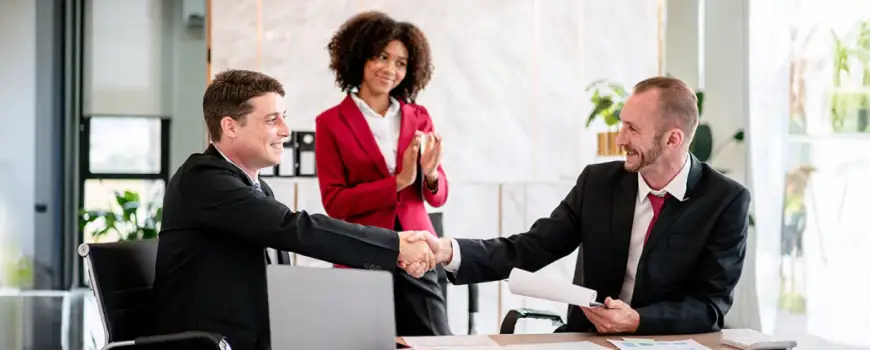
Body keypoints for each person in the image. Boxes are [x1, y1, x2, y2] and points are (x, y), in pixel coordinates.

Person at [427, 76, 751, 335]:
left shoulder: (725, 201)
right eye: (622, 124)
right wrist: (448, 251)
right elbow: (530, 248)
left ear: (673, 139)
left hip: (668, 342)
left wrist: (638, 320)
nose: (620, 139)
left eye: (632, 129)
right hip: (587, 340)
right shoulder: (598, 183)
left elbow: (709, 306)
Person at [152, 69, 437, 350]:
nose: (285, 131)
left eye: (284, 118)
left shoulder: (255, 187)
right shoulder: (203, 179)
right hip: (210, 345)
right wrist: (395, 244)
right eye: (271, 120)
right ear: (230, 126)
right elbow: (293, 228)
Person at [314, 11, 451, 336]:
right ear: (359, 56)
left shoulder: (419, 117)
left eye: (401, 62)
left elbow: (439, 193)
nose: (390, 69)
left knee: (434, 342)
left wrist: (430, 176)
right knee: (364, 343)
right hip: (360, 251)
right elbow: (335, 203)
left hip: (419, 254)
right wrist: (399, 181)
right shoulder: (330, 123)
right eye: (381, 57)